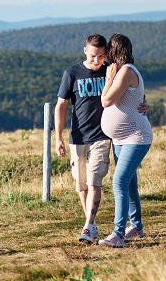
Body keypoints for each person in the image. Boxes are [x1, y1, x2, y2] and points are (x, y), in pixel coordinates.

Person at [55, 35, 148, 243]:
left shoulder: (112, 69)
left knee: (103, 180)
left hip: (105, 137)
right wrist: (58, 137)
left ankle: (98, 228)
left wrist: (144, 101)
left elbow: (124, 92)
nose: (98, 60)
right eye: (94, 55)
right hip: (82, 136)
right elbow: (60, 105)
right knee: (83, 183)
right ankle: (100, 224)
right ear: (85, 51)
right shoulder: (73, 73)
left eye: (102, 55)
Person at [97, 33, 153, 248]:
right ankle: (136, 227)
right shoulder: (123, 71)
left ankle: (118, 233)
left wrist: (110, 78)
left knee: (119, 182)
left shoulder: (126, 71)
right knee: (129, 184)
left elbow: (106, 100)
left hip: (136, 137)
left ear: (115, 50)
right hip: (121, 137)